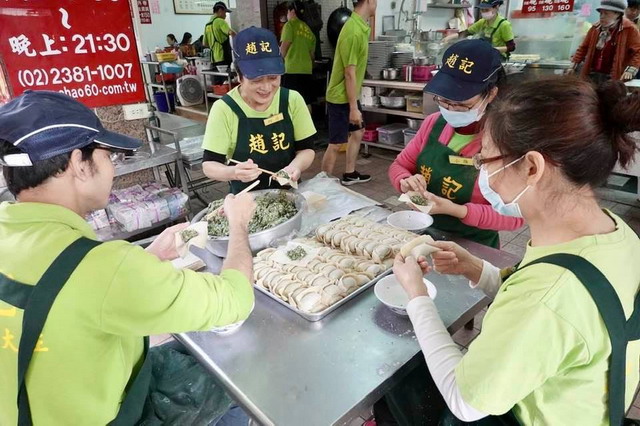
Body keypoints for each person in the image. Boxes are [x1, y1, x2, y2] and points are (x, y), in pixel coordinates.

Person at [388, 77, 640, 425]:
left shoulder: (549, 298)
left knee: (401, 388)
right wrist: (478, 269)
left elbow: (465, 402)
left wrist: (416, 296)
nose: (483, 174)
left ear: (532, 168)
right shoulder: (615, 232)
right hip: (588, 407)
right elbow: (554, 308)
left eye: (485, 161)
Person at [0, 91, 256, 425]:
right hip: (111, 418)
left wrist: (147, 257)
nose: (113, 167)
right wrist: (238, 225)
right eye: (108, 156)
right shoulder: (105, 267)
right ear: (79, 164)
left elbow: (64, 287)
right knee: (235, 380)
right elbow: (236, 300)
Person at [388, 40, 523, 248]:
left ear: (492, 93)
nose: (450, 108)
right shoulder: (434, 124)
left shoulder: (503, 140)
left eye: (461, 104)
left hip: (473, 246)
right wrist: (405, 181)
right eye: (443, 100)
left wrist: (456, 210)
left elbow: (516, 217)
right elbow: (399, 166)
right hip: (425, 234)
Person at [201, 27, 316, 194]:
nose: (267, 87)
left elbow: (307, 149)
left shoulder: (292, 99)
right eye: (256, 80)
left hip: (290, 196)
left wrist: (295, 167)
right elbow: (209, 165)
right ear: (239, 77)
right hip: (245, 201)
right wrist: (233, 172)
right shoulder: (224, 109)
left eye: (273, 77)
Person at [322, 0, 377, 186]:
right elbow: (349, 72)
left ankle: (350, 173)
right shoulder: (353, 31)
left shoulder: (359, 26)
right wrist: (354, 108)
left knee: (358, 131)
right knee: (336, 142)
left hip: (350, 95)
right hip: (340, 97)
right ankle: (323, 183)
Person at [569, 0, 640, 83]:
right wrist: (573, 64)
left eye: (606, 13)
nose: (602, 17)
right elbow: (583, 48)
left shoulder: (630, 29)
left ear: (617, 14)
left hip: (614, 76)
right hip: (593, 74)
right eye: (601, 13)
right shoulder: (595, 28)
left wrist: (630, 70)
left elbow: (638, 52)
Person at [443, 0, 515, 60]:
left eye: (486, 10)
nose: (483, 12)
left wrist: (492, 50)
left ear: (496, 7)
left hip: (498, 59)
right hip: (484, 57)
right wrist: (449, 37)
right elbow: (466, 32)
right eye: (482, 10)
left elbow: (511, 47)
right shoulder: (482, 22)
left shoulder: (504, 25)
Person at [280, 1, 317, 107]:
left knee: (291, 103)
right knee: (306, 102)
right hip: (307, 71)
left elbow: (283, 49)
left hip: (292, 71)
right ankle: (308, 122)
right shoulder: (309, 31)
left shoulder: (289, 25)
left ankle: (293, 123)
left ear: (291, 11)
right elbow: (312, 56)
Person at [204, 1, 236, 68]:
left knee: (218, 77)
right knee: (227, 78)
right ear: (220, 10)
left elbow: (205, 44)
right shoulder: (220, 21)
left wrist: (214, 46)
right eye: (225, 12)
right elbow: (231, 33)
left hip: (213, 59)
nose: (225, 15)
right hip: (223, 57)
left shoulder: (207, 25)